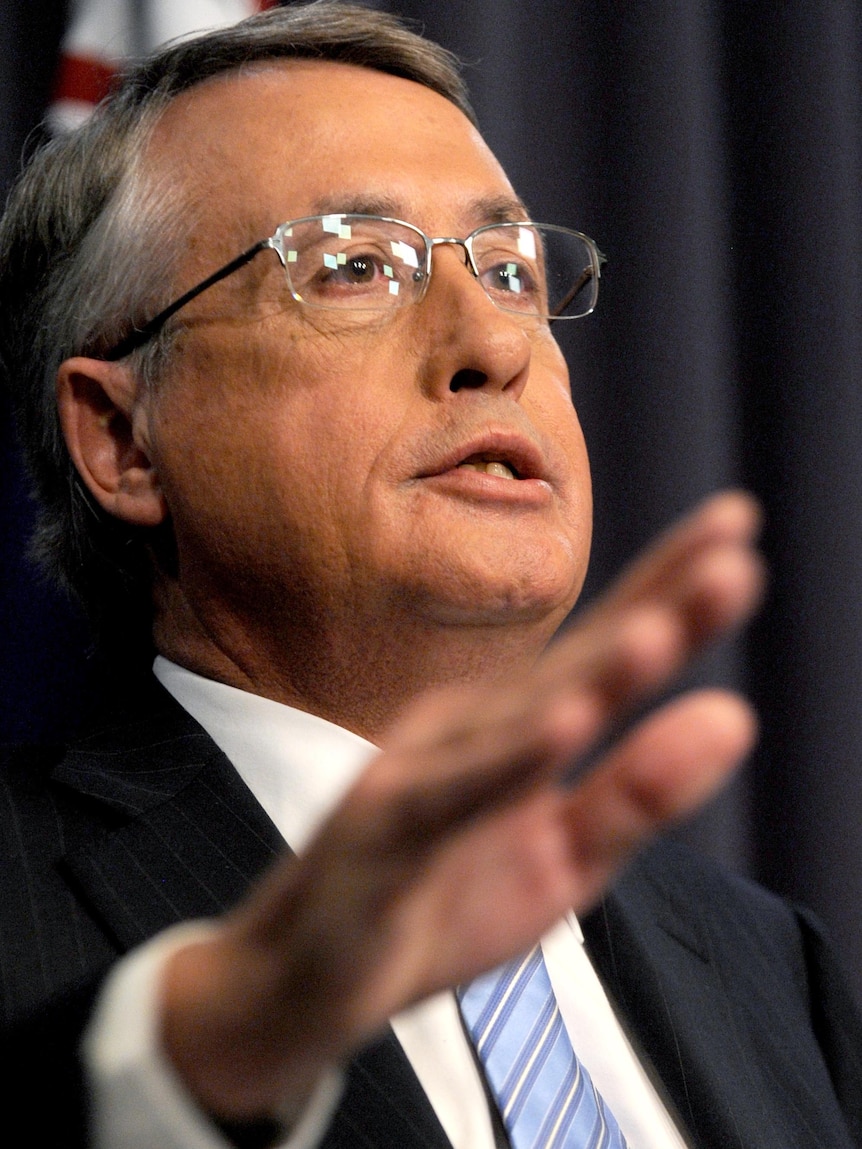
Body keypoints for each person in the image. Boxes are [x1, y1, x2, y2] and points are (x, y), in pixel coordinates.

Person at [0, 4, 859, 1148]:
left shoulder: (771, 968)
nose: (492, 344)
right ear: (121, 438)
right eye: (355, 266)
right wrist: (197, 1063)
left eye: (510, 272)